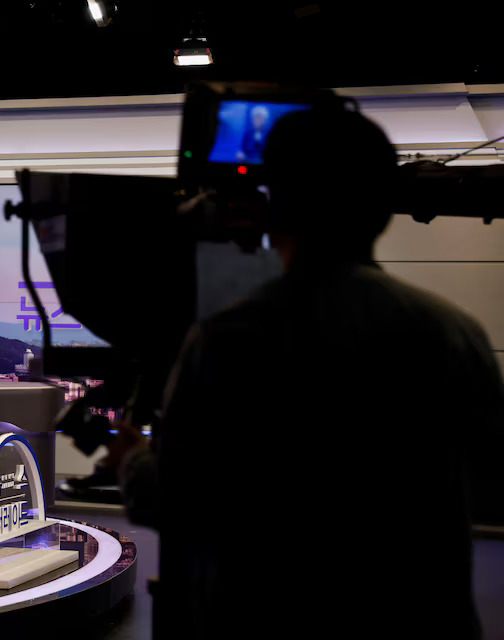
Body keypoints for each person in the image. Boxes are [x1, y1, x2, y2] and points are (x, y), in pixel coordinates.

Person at [111, 106, 504, 639]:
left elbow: (180, 502)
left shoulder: (227, 341)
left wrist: (133, 462)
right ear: (383, 210)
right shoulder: (455, 333)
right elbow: (489, 477)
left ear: (276, 208)